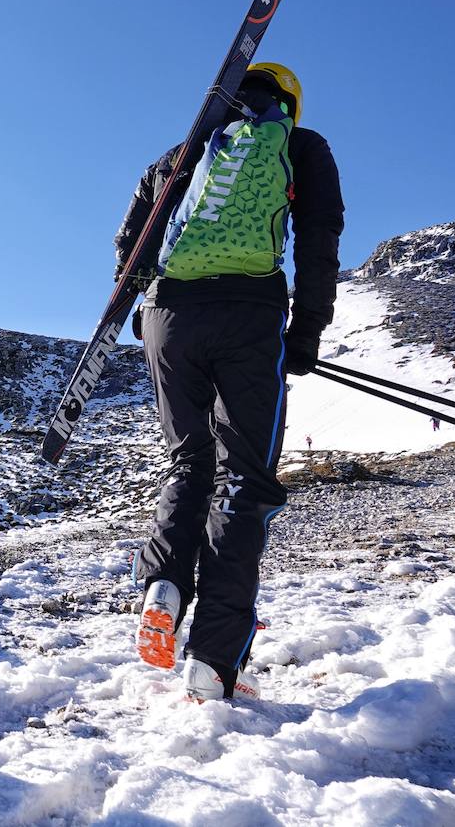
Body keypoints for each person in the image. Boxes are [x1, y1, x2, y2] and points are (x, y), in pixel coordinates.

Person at [114, 62, 344, 701]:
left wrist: (139, 303)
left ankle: (163, 582)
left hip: (169, 314)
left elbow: (136, 232)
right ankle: (214, 660)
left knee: (188, 462)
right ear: (288, 103)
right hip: (248, 311)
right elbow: (319, 238)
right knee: (242, 477)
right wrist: (307, 329)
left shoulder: (187, 149)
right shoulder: (300, 145)